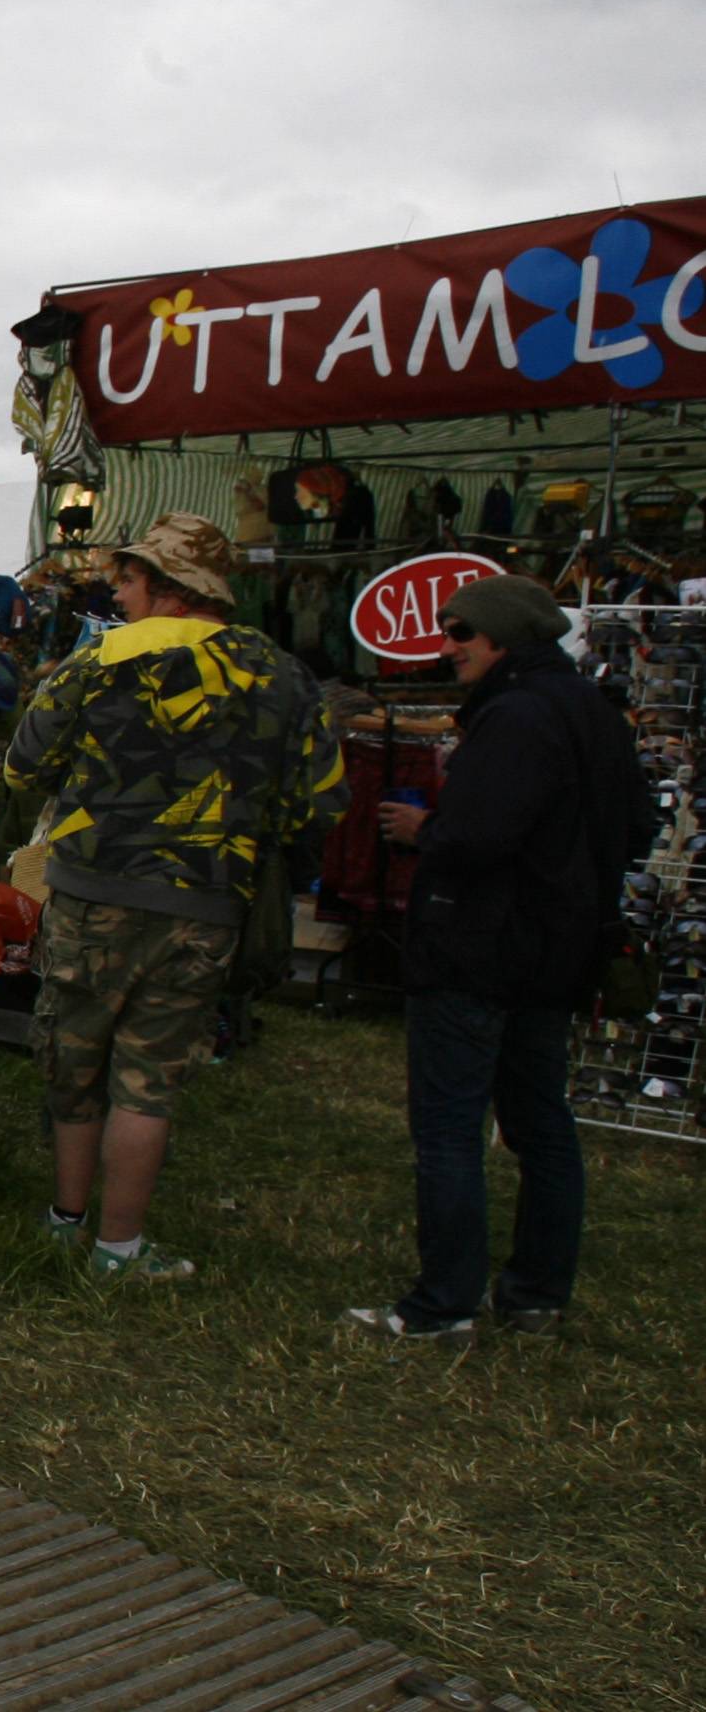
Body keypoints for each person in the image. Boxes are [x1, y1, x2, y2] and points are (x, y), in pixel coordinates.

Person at [5, 513, 341, 1283]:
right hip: (206, 906)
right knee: (148, 1081)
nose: (118, 595)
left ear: (165, 585)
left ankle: (64, 1221)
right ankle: (120, 1250)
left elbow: (24, 767)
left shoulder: (102, 657)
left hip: (91, 895)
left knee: (74, 1061)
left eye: (127, 580)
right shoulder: (281, 671)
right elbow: (319, 802)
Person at [353, 575, 648, 1344]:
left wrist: (423, 830)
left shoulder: (515, 715)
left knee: (450, 1128)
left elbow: (481, 836)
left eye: (461, 632)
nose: (448, 647)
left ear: (503, 639)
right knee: (540, 1122)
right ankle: (536, 1295)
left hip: (481, 947)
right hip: (559, 948)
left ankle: (444, 1303)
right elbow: (637, 825)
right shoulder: (593, 711)